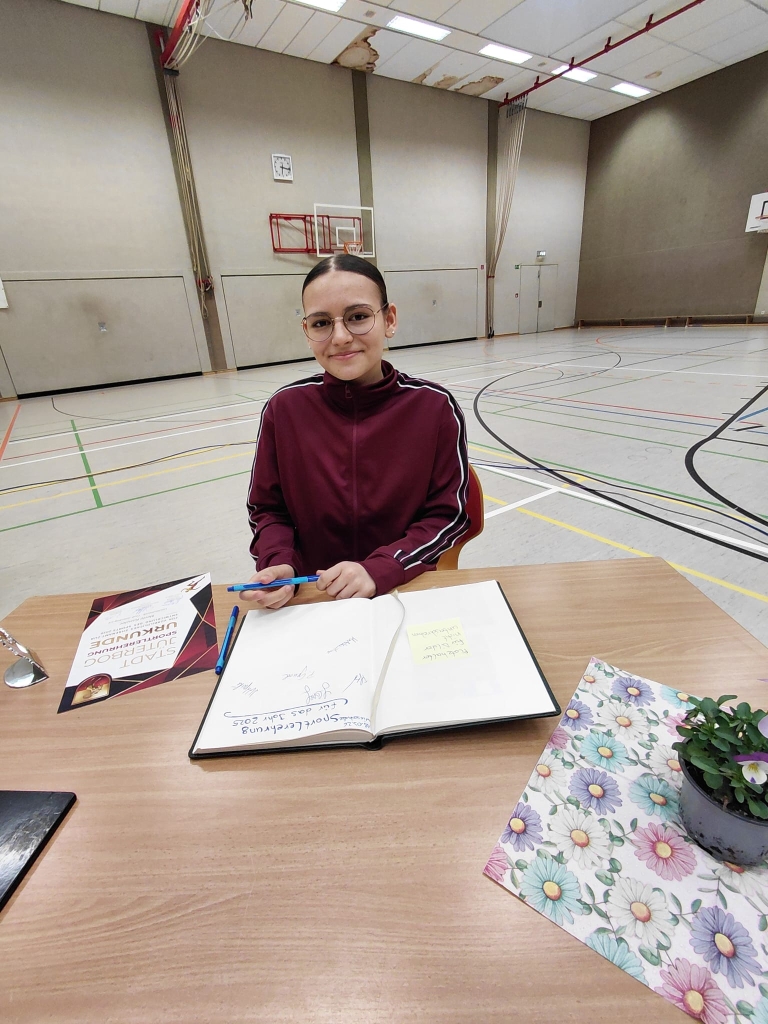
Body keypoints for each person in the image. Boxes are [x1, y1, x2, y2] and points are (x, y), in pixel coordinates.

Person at [243, 253, 469, 610]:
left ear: (389, 320)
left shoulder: (435, 407)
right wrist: (279, 561)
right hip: (315, 596)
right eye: (321, 323)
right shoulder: (283, 409)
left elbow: (448, 515)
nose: (340, 337)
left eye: (358, 317)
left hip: (403, 590)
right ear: (307, 332)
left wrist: (382, 567)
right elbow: (268, 509)